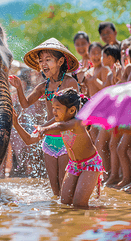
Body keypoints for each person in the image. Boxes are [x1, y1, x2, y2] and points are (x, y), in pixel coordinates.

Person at [9, 38, 79, 196]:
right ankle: (57, 218)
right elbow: (26, 103)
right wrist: (19, 87)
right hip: (49, 141)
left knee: (63, 182)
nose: (43, 64)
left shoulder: (70, 83)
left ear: (60, 61)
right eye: (41, 61)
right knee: (54, 188)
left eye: (48, 60)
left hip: (66, 139)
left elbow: (66, 116)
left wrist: (44, 128)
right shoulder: (43, 86)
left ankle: (68, 216)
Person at [13, 89, 104, 207]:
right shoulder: (57, 121)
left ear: (71, 110)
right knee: (64, 203)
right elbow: (29, 140)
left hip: (90, 164)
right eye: (53, 108)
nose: (54, 111)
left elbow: (62, 126)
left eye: (58, 108)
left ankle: (98, 217)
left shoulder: (77, 122)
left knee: (79, 204)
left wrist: (44, 129)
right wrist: (15, 123)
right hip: (74, 165)